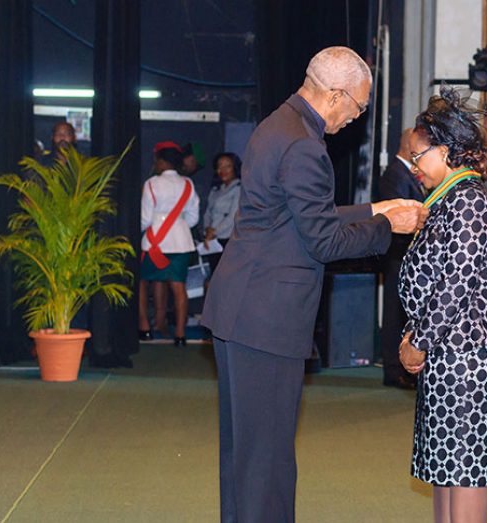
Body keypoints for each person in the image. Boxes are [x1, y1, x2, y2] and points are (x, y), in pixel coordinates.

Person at [200, 46, 427, 523]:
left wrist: (374, 210)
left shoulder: (278, 124)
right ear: (337, 95)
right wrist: (390, 229)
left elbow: (299, 218)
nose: (356, 118)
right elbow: (322, 240)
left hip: (239, 307)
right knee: (269, 462)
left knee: (245, 457)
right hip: (266, 317)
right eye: (359, 107)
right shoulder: (306, 144)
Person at [398, 88, 487, 523]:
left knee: (464, 468)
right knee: (445, 466)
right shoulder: (450, 197)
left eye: (418, 156)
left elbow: (455, 282)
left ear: (445, 151)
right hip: (449, 348)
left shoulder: (467, 200)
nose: (414, 167)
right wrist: (417, 336)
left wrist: (419, 341)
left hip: (468, 350)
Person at [138, 141, 200, 346]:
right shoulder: (188, 184)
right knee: (179, 287)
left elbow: (145, 218)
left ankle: (145, 327)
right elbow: (193, 218)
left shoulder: (151, 184)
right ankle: (180, 334)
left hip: (154, 242)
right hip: (180, 242)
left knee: (142, 284)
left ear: (162, 162)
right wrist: (178, 224)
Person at [379, 128, 426, 389]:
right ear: (409, 144)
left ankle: (403, 369)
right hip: (398, 253)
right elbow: (394, 216)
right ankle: (393, 369)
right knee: (394, 312)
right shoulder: (394, 174)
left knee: (403, 312)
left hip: (408, 254)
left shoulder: (408, 173)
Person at [202, 152, 242, 274]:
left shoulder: (239, 188)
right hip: (213, 241)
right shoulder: (215, 190)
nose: (222, 170)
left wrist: (215, 232)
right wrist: (207, 230)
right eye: (220, 166)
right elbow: (208, 213)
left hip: (229, 240)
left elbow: (232, 217)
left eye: (227, 166)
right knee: (213, 275)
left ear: (234, 168)